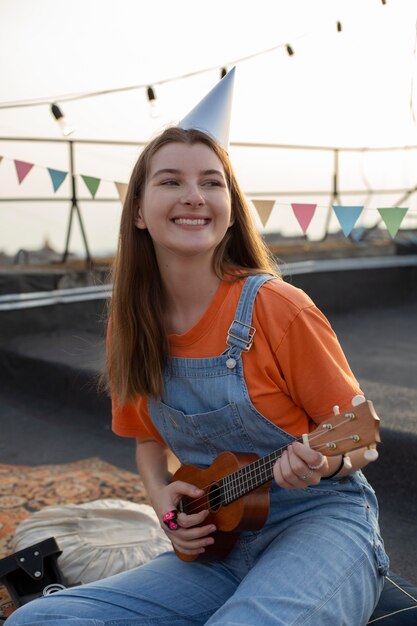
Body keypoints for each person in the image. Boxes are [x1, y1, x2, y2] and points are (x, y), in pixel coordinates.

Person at [6, 69, 388, 626]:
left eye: (212, 182)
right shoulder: (131, 325)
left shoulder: (279, 308)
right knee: (35, 621)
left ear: (231, 206)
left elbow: (362, 435)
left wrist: (327, 460)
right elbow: (146, 444)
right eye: (171, 182)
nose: (194, 196)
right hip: (219, 549)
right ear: (137, 210)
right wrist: (166, 508)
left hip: (321, 525)